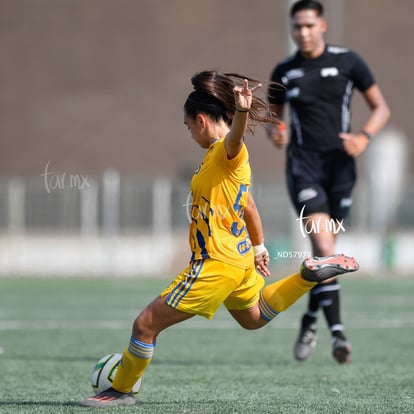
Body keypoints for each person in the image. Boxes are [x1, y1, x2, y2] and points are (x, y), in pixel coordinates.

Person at [80, 70, 359, 407]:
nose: (189, 134)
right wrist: (258, 246)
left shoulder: (225, 152)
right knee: (254, 317)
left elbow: (236, 140)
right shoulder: (217, 162)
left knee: (144, 325)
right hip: (238, 257)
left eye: (188, 127)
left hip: (216, 261)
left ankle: (120, 390)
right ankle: (306, 276)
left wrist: (241, 112)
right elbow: (250, 207)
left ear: (200, 120)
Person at [267, 0, 390, 364]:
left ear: (322, 25)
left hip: (341, 170)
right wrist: (276, 133)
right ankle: (338, 334)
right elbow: (275, 119)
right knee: (323, 246)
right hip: (303, 169)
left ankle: (309, 319)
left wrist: (363, 138)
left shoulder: (348, 61)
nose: (302, 33)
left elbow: (381, 108)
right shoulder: (284, 71)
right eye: (296, 27)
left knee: (327, 256)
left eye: (308, 26)